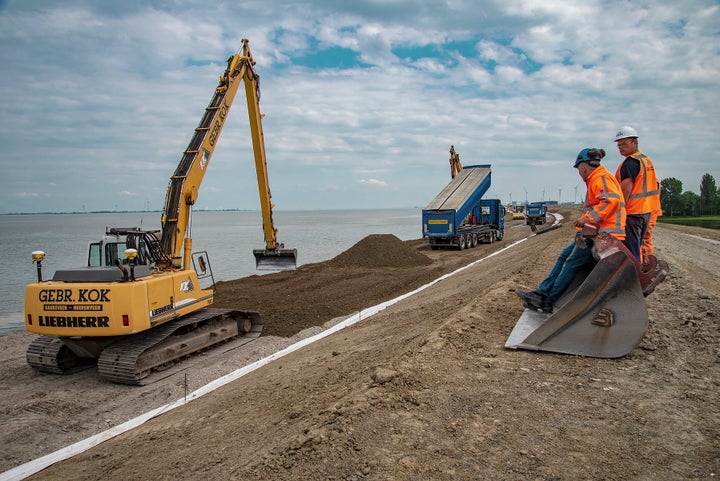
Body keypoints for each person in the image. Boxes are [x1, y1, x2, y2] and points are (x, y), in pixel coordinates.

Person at [516, 148, 626, 313]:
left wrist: (587, 219)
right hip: (597, 234)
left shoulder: (600, 179)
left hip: (603, 236)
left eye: (578, 170)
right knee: (564, 256)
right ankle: (541, 294)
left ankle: (547, 300)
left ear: (583, 167)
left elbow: (610, 202)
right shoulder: (599, 179)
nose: (580, 174)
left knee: (570, 263)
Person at [613, 126, 660, 261]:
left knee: (631, 250)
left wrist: (618, 211)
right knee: (638, 246)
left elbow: (625, 190)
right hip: (646, 211)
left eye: (624, 144)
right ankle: (643, 270)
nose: (620, 147)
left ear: (634, 142)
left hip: (633, 213)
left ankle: (635, 278)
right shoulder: (646, 160)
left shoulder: (630, 163)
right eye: (618, 145)